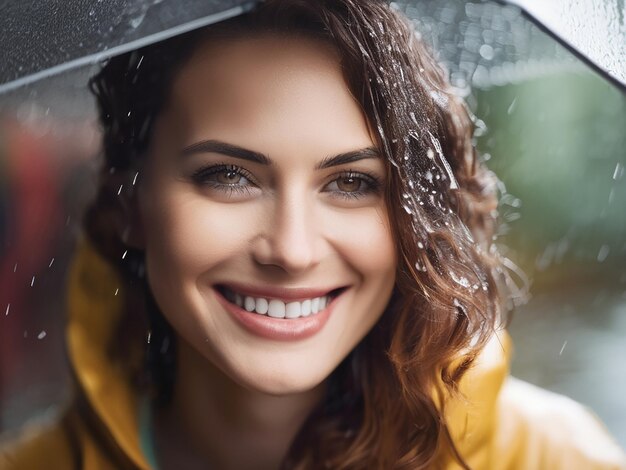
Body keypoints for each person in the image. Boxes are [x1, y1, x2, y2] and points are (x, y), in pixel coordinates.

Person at [1, 0, 625, 468]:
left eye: (351, 183)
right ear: (132, 199)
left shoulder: (557, 459)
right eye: (228, 176)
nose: (292, 250)